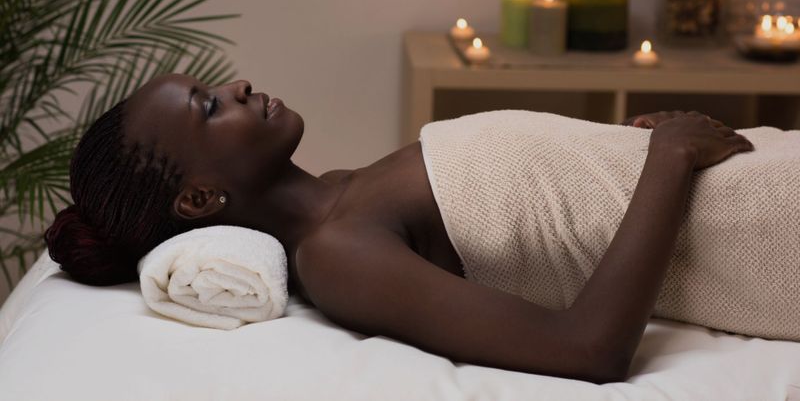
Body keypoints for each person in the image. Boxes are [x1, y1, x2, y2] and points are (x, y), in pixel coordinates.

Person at [45, 73, 762, 384]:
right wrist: (666, 161)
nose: (236, 86)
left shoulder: (342, 194)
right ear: (199, 201)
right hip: (757, 224)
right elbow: (587, 349)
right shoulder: (335, 253)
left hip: (742, 174)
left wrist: (633, 146)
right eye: (209, 108)